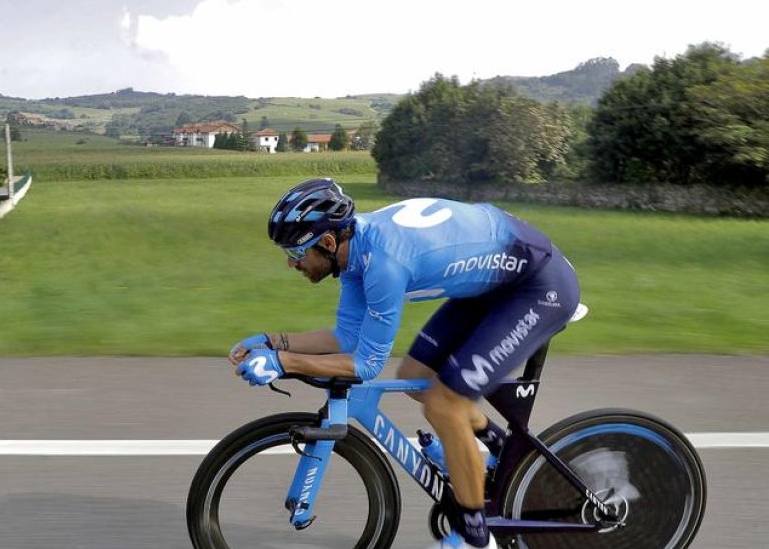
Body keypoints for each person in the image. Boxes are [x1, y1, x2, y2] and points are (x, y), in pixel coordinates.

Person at [229, 178, 580, 549]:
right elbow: (347, 337)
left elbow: (365, 365)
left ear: (327, 243)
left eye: (296, 253)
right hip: (495, 283)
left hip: (538, 287)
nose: (290, 263)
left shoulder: (383, 263)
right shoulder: (353, 254)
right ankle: (496, 447)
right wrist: (274, 341)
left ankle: (477, 538)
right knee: (416, 376)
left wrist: (284, 362)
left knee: (445, 404)